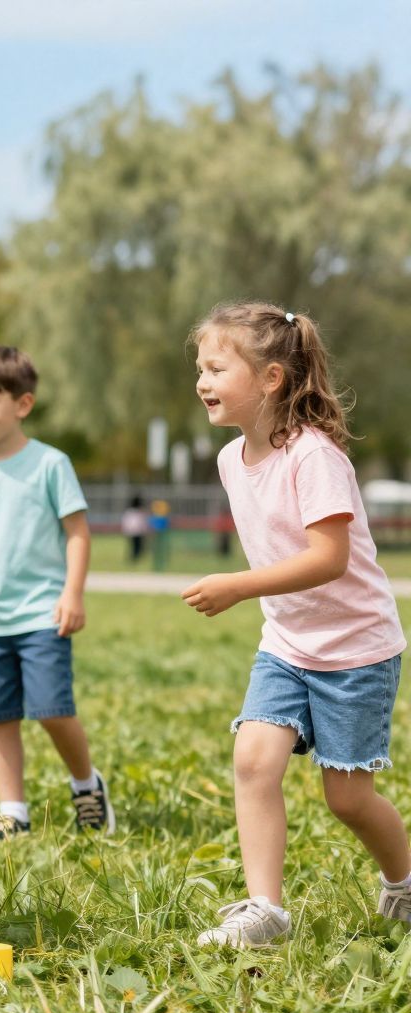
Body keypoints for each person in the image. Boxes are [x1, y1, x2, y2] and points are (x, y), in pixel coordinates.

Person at [182, 302, 411, 947]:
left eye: (216, 368)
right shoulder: (232, 460)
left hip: (355, 649)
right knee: (254, 761)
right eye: (200, 368)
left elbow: (328, 559)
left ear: (271, 379)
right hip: (285, 645)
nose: (201, 381)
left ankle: (404, 881)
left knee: (347, 800)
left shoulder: (314, 456)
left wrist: (238, 588)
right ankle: (265, 910)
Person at [0, 346, 112, 843]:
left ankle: (86, 786)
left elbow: (78, 533)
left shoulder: (51, 464)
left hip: (42, 613)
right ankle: (12, 812)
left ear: (23, 404)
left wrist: (72, 594)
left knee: (53, 708)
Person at [121, 495, 151, 565]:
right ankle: (134, 558)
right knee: (137, 546)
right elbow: (141, 522)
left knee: (135, 546)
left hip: (131, 532)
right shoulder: (139, 512)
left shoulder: (129, 512)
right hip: (137, 532)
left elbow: (126, 522)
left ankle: (134, 557)